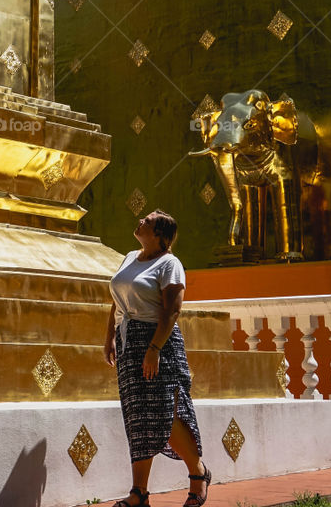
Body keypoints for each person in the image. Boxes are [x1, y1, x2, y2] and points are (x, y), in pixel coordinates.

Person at [104, 209, 211, 507]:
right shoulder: (129, 257)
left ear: (161, 235)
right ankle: (139, 493)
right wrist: (110, 337)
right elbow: (116, 303)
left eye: (148, 221)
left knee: (165, 414)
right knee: (138, 417)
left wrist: (154, 350)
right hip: (128, 342)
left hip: (158, 343)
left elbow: (172, 311)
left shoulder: (169, 264)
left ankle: (198, 473)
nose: (140, 221)